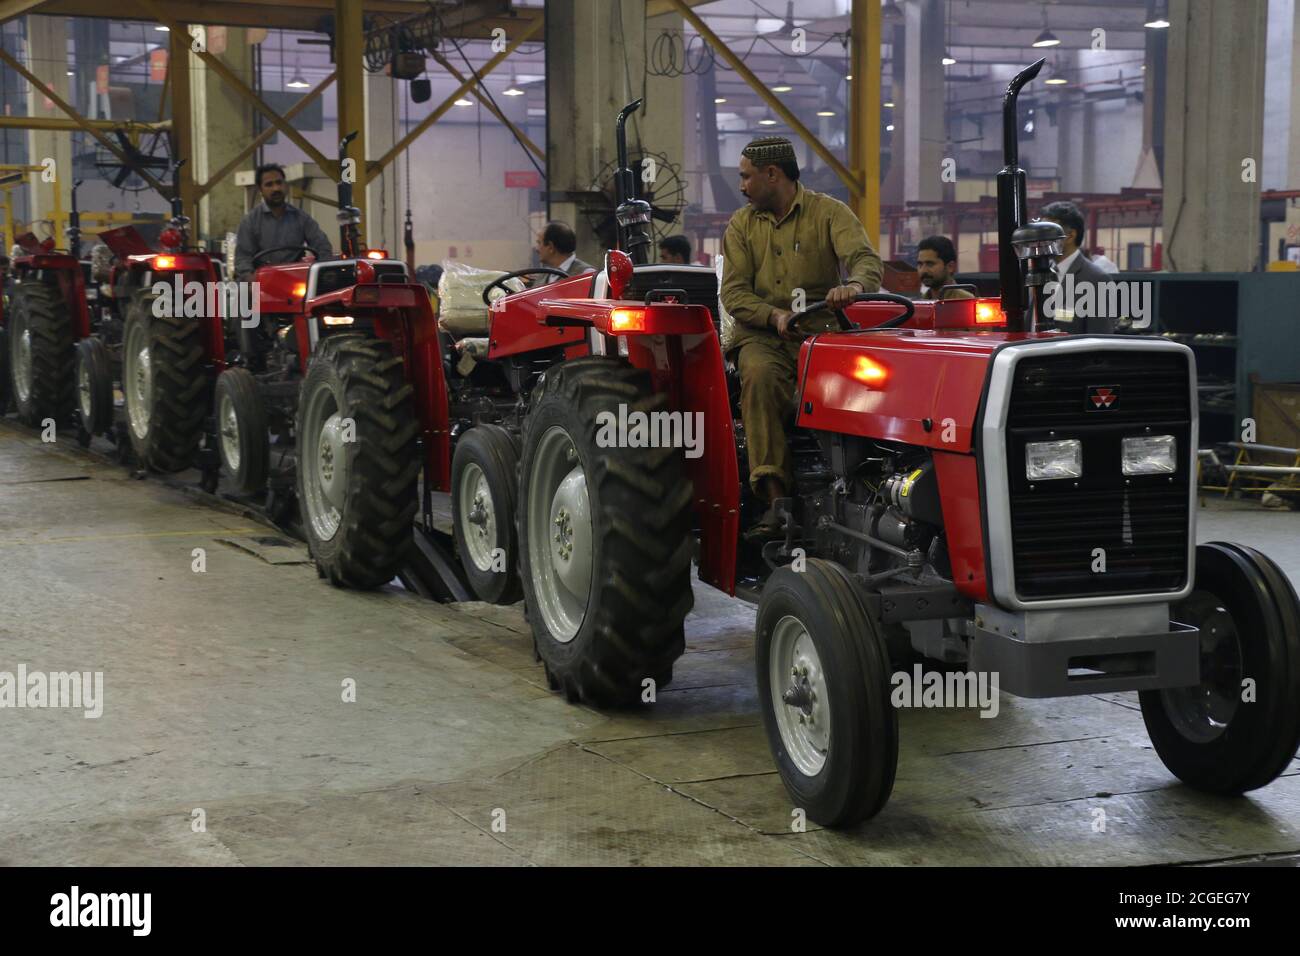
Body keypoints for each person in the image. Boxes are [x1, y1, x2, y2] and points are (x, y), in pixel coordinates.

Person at [721, 136, 883, 542]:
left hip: (821, 335)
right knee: (758, 377)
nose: (742, 186)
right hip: (762, 337)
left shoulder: (830, 213)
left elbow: (865, 261)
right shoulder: (741, 224)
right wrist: (773, 315)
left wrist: (856, 284)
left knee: (868, 385)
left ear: (772, 175)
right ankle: (777, 502)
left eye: (746, 177)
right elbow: (734, 293)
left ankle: (866, 488)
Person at [234, 164, 332, 281]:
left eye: (279, 183)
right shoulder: (250, 221)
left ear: (285, 185)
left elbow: (322, 244)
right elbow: (243, 258)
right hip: (263, 281)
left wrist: (324, 269)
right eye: (269, 184)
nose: (276, 188)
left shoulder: (301, 217)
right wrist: (251, 279)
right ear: (260, 189)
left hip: (295, 280)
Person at [1039, 200, 1113, 333]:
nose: (1041, 239)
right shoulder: (1038, 275)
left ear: (1070, 236)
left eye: (1048, 232)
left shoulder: (1096, 280)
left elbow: (1100, 340)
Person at [915, 235, 973, 301]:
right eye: (920, 264)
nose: (923, 270)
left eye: (930, 264)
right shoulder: (920, 302)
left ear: (950, 267)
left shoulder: (966, 302)